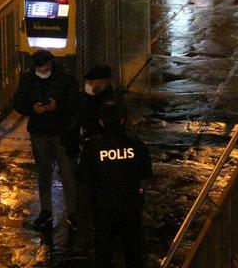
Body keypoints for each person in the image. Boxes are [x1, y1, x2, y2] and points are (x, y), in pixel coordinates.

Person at [79, 99, 152, 268]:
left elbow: (83, 179)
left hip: (102, 209)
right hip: (130, 208)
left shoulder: (91, 148)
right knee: (133, 254)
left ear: (101, 122)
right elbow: (146, 176)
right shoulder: (138, 147)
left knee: (103, 255)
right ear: (122, 120)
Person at [13, 49, 80, 232]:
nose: (42, 72)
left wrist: (57, 107)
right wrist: (32, 109)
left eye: (45, 68)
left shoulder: (65, 78)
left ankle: (72, 212)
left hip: (61, 132)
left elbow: (75, 103)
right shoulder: (27, 79)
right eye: (39, 69)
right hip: (39, 133)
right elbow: (18, 103)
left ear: (51, 63)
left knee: (67, 173)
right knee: (43, 173)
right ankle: (46, 210)